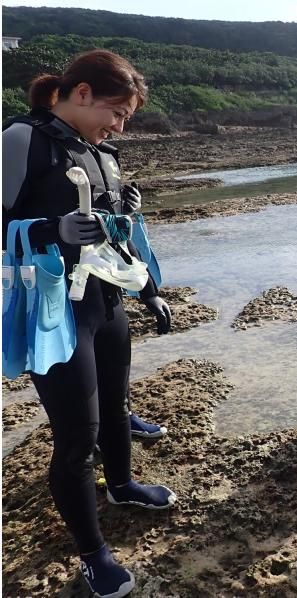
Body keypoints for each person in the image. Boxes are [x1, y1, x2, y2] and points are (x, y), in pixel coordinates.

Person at [2, 49, 176, 598]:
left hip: (106, 301)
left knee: (120, 405)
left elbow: (117, 235)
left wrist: (147, 287)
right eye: (117, 112)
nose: (120, 125)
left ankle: (121, 485)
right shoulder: (21, 140)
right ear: (81, 93)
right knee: (78, 438)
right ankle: (93, 554)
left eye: (126, 118)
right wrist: (49, 229)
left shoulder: (101, 151)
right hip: (55, 313)